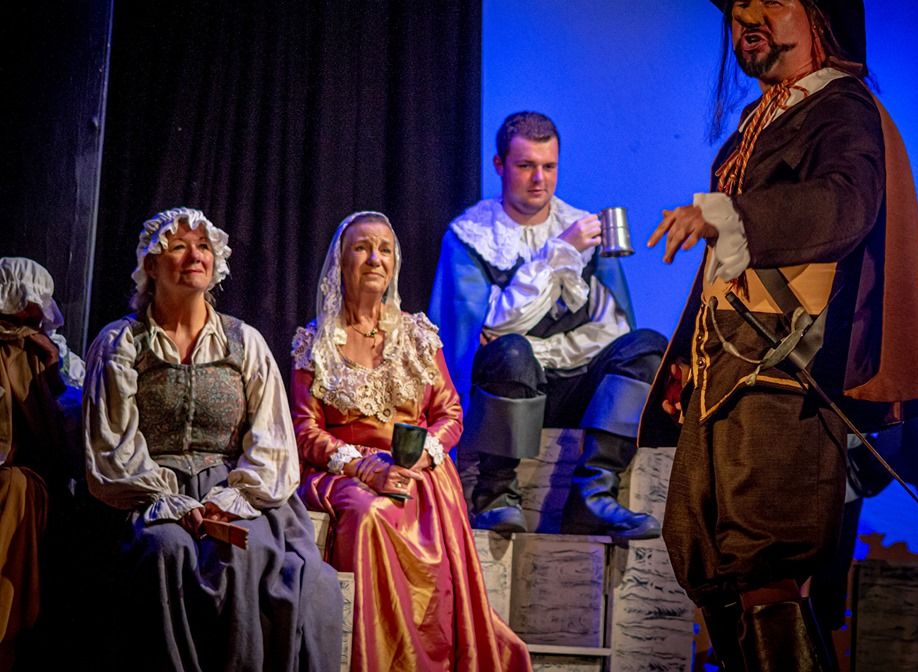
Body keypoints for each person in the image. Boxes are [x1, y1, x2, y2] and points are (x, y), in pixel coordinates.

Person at [644, 0, 918, 672]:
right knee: (705, 557)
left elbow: (843, 206)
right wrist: (686, 361)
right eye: (741, 5)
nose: (749, 18)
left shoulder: (841, 109)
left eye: (771, 1)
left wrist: (729, 214)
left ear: (816, 19)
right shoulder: (757, 124)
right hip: (724, 377)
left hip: (788, 381)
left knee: (766, 564)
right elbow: (729, 264)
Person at [83, 207, 342, 672]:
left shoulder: (244, 342)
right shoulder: (122, 342)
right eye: (178, 247)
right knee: (166, 549)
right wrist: (168, 501)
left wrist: (234, 497)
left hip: (235, 488)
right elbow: (112, 445)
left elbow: (273, 438)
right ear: (151, 264)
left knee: (244, 550)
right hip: (146, 493)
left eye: (202, 246)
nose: (194, 256)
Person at [291, 211, 531, 672]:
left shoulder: (417, 336)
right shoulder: (314, 342)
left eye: (384, 249)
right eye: (362, 247)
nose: (374, 258)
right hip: (346, 472)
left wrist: (421, 454)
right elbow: (305, 429)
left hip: (416, 468)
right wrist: (361, 467)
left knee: (407, 508)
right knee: (368, 515)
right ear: (341, 260)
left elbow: (450, 413)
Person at [429, 111, 666, 537]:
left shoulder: (584, 229)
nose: (539, 179)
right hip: (506, 391)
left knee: (646, 346)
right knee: (511, 353)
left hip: (576, 391)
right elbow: (491, 327)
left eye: (549, 166)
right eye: (525, 165)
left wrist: (539, 347)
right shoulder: (470, 236)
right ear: (499, 165)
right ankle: (495, 494)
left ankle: (594, 492)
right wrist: (556, 256)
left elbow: (610, 331)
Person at [0, 258, 72, 671]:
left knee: (15, 488)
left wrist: (52, 373)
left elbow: (65, 427)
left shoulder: (45, 351)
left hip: (29, 481)